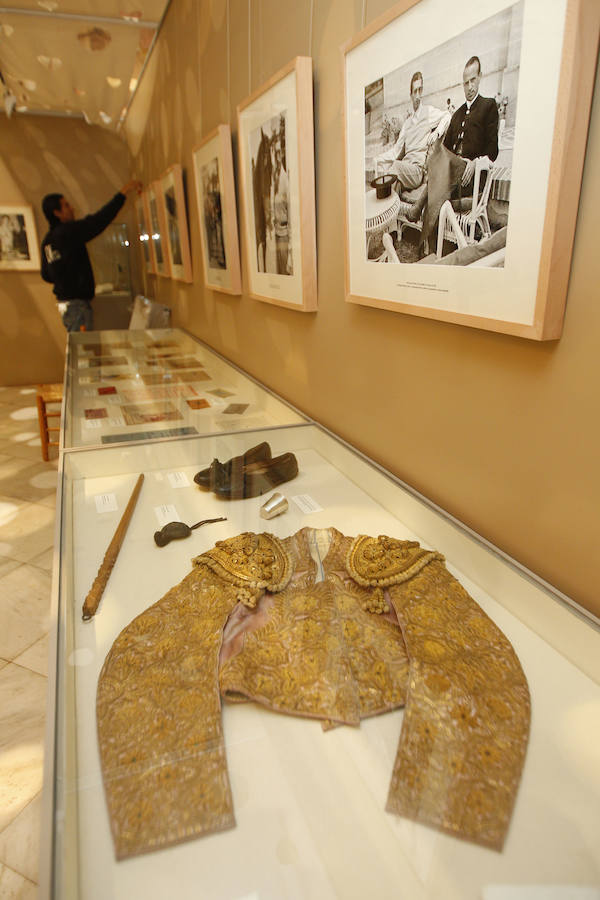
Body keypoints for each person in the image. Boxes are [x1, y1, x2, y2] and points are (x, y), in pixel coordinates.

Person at [40, 180, 141, 332]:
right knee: (82, 347)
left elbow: (46, 275)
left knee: (78, 345)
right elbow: (98, 221)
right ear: (57, 213)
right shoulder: (67, 232)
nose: (72, 208)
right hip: (76, 305)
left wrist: (65, 277)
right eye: (66, 205)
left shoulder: (48, 241)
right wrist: (122, 194)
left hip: (66, 304)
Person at [375, 71, 450, 193]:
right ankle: (394, 209)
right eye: (415, 91)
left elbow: (447, 116)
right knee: (395, 185)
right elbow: (395, 151)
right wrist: (379, 158)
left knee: (394, 168)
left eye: (420, 90)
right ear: (410, 95)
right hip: (404, 170)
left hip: (416, 171)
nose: (418, 96)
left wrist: (437, 132)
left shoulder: (428, 113)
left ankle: (385, 206)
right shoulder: (407, 124)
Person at [443, 55, 499, 189]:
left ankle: (416, 208)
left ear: (480, 77)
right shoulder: (457, 115)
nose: (470, 87)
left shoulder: (488, 106)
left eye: (473, 80)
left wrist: (475, 163)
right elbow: (445, 149)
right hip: (453, 174)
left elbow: (492, 150)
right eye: (466, 83)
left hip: (473, 177)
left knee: (436, 185)